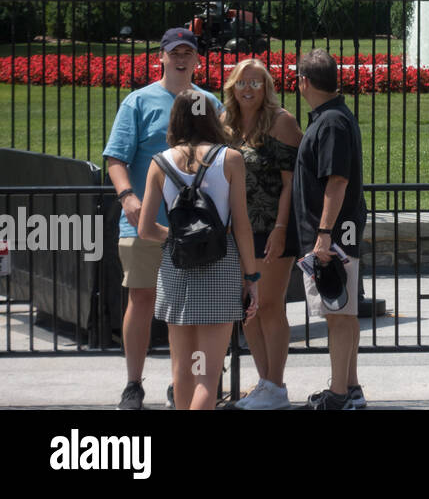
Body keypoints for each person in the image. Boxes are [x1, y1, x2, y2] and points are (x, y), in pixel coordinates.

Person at [103, 26, 223, 410]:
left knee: (190, 308)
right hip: (145, 221)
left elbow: (223, 155)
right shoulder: (137, 102)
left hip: (196, 227)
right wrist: (127, 197)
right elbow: (115, 158)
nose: (182, 58)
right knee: (141, 299)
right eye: (175, 52)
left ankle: (181, 383)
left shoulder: (208, 102)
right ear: (161, 57)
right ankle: (133, 384)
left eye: (188, 52)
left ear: (198, 58)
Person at [136, 91, 260, 410]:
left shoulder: (159, 163)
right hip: (220, 267)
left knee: (184, 371)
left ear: (176, 118)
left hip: (176, 268)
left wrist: (178, 237)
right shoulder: (230, 158)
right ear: (210, 117)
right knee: (206, 374)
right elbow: (242, 225)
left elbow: (145, 228)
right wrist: (251, 276)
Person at [221, 58, 303, 410]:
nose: (248, 88)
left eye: (256, 82)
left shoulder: (281, 122)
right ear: (232, 88)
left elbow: (292, 182)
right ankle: (265, 383)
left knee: (269, 305)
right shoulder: (225, 124)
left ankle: (277, 385)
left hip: (272, 230)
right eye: (242, 82)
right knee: (248, 309)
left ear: (267, 87)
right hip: (237, 231)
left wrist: (282, 229)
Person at [292, 49, 367, 410]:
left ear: (304, 81)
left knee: (337, 316)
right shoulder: (333, 117)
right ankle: (350, 388)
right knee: (346, 313)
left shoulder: (331, 122)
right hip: (340, 233)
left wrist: (323, 235)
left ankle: (338, 394)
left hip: (333, 236)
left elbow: (337, 180)